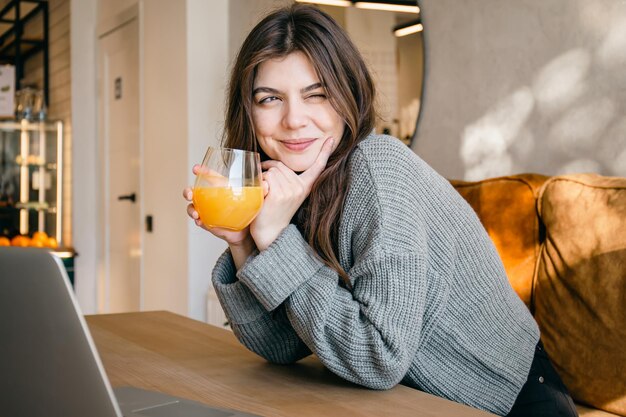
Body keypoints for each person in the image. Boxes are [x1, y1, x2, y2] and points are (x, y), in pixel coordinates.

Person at [183, 4, 578, 416]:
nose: (294, 119)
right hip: (411, 403)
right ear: (248, 109)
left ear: (347, 93)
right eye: (270, 99)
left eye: (316, 94)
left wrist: (279, 240)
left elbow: (379, 356)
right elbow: (282, 346)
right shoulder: (295, 187)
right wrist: (245, 243)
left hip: (509, 401)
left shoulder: (378, 169)